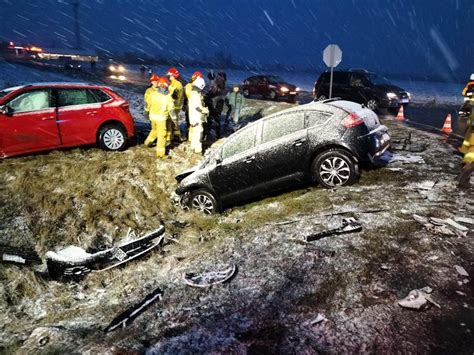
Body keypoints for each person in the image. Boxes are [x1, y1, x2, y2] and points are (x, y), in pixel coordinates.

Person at [144, 76, 177, 158]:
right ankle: (160, 154)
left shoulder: (153, 94)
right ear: (166, 85)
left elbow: (147, 105)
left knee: (154, 130)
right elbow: (172, 111)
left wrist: (146, 113)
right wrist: (175, 121)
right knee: (162, 136)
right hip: (161, 119)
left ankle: (147, 143)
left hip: (153, 118)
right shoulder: (168, 97)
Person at [188, 77, 209, 154]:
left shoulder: (193, 93)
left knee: (194, 133)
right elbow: (197, 107)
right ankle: (198, 150)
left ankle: (193, 147)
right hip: (196, 117)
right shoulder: (195, 95)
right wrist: (204, 110)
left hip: (193, 117)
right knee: (199, 133)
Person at [184, 71, 204, 140]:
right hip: (191, 106)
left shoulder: (191, 86)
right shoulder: (190, 86)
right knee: (192, 123)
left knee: (191, 123)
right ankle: (190, 138)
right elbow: (191, 97)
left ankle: (190, 138)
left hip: (190, 105)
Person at [458, 103, 474, 189]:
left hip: (470, 138)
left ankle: (465, 168)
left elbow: (464, 122)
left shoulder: (469, 107)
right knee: (471, 160)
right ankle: (464, 179)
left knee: (469, 156)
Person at [167, 67, 184, 142]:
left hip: (174, 106)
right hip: (175, 105)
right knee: (174, 121)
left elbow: (174, 95)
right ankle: (176, 136)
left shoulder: (177, 84)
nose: (169, 77)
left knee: (170, 122)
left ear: (173, 76)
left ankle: (170, 137)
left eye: (170, 76)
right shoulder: (174, 83)